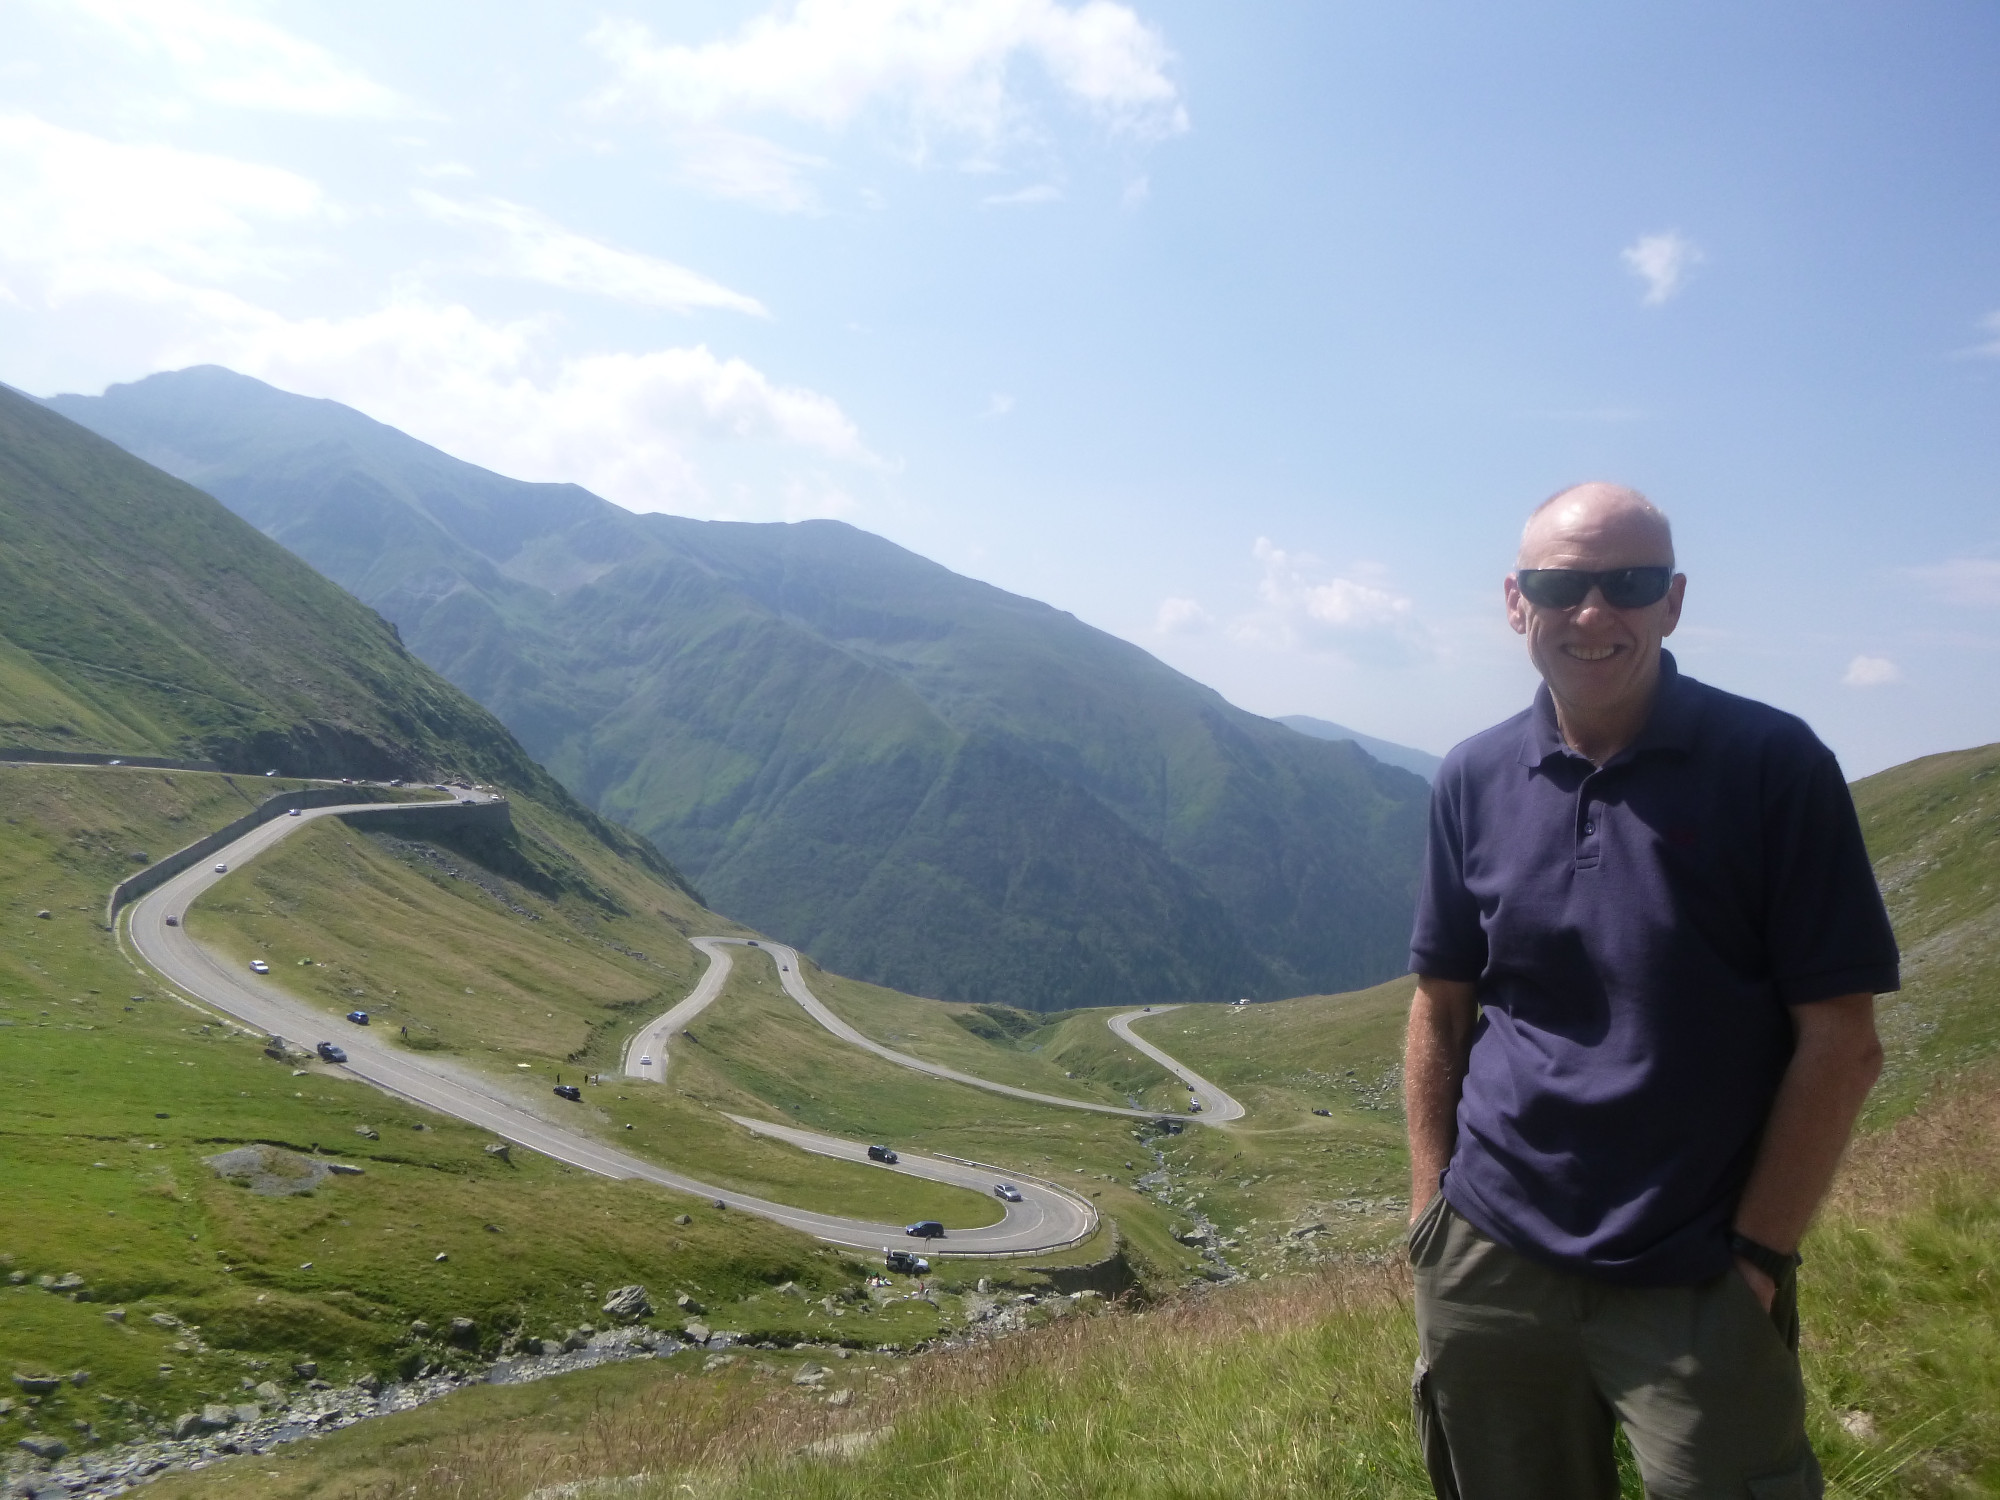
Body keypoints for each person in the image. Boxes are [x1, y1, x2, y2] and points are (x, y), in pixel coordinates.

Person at [1403, 482, 1898, 1499]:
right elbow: (1440, 1008)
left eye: (1626, 583)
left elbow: (1841, 1043)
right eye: (1560, 584)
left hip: (1694, 1274)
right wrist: (1429, 1214)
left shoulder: (1773, 766)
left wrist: (1756, 1257)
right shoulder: (1470, 776)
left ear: (1670, 602)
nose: (1592, 613)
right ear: (1514, 601)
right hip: (1489, 1257)